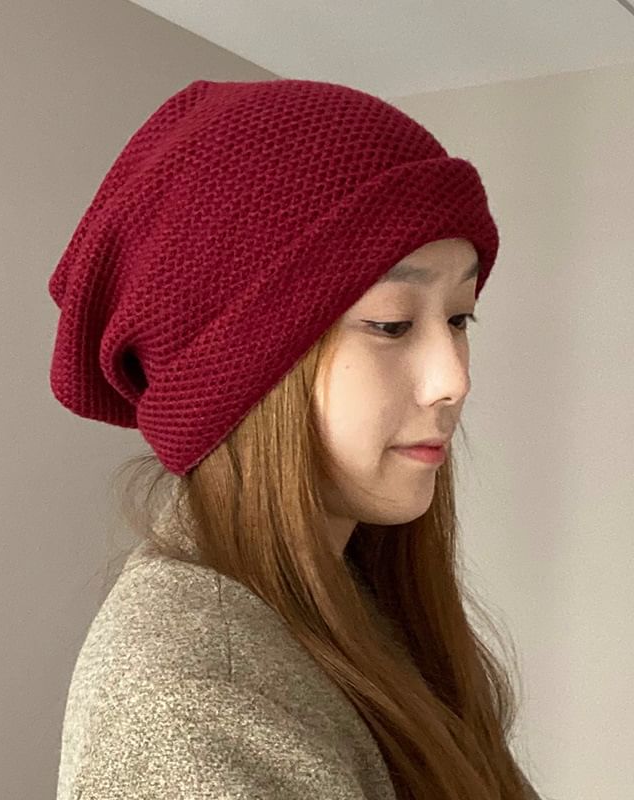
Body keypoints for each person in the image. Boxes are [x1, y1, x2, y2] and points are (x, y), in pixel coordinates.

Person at [48, 78, 542, 800]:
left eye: (459, 318)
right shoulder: (194, 706)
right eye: (392, 324)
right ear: (244, 371)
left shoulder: (357, 606)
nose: (452, 380)